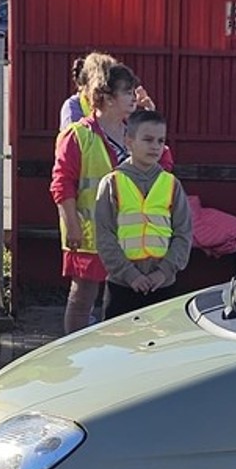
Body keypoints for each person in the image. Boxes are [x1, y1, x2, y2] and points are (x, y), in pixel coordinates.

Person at [51, 61, 171, 333]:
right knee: (83, 296)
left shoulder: (134, 132)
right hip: (90, 233)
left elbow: (164, 169)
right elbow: (62, 183)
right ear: (107, 97)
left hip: (131, 233)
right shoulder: (78, 135)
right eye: (127, 91)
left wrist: (149, 121)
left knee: (125, 298)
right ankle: (75, 350)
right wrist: (71, 224)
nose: (134, 97)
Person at [93, 108, 192, 318]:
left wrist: (164, 272)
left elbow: (183, 234)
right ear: (129, 142)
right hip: (122, 284)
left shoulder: (171, 184)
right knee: (118, 339)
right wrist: (130, 275)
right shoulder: (112, 183)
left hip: (163, 284)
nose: (155, 146)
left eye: (160, 141)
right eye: (148, 140)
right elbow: (104, 236)